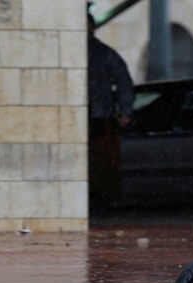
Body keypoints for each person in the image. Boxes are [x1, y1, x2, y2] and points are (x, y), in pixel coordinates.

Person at [87, 15, 134, 209]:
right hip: (94, 115)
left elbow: (123, 80)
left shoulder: (102, 53)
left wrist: (125, 109)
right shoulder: (101, 52)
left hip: (99, 116)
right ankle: (98, 197)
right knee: (99, 160)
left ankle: (100, 198)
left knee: (101, 160)